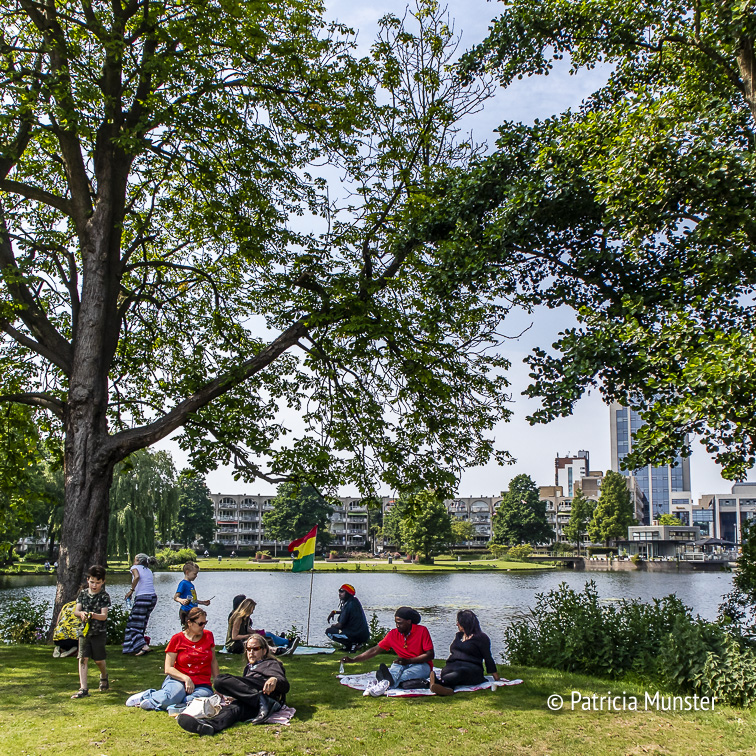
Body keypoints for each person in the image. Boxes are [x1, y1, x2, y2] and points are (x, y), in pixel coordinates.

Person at [177, 634, 289, 735]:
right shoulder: (249, 668)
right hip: (258, 707)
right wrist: (237, 695)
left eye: (255, 649)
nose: (251, 652)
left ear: (264, 651)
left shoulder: (270, 663)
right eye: (248, 649)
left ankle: (262, 700)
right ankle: (210, 726)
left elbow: (284, 685)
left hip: (268, 695)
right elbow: (245, 689)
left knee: (220, 680)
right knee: (232, 709)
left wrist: (274, 679)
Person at [127, 607, 218, 710]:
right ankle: (147, 696)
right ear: (189, 623)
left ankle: (163, 702)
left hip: (202, 684)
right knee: (172, 697)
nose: (204, 626)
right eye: (200, 623)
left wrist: (218, 684)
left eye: (205, 623)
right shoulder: (177, 639)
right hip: (178, 680)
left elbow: (213, 661)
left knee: (191, 702)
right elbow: (168, 668)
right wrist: (186, 678)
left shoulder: (208, 636)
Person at [341, 606, 433, 695]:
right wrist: (353, 660)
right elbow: (374, 650)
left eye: (400, 623)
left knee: (405, 675)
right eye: (396, 623)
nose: (397, 626)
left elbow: (430, 655)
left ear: (409, 621)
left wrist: (409, 661)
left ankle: (383, 684)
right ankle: (386, 683)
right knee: (395, 671)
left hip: (422, 665)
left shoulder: (422, 631)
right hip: (401, 663)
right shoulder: (393, 634)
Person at [429, 610, 501, 696]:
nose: (457, 624)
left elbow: (488, 658)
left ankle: (440, 683)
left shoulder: (481, 638)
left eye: (459, 622)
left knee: (459, 673)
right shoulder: (459, 636)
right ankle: (447, 688)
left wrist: (496, 677)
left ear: (465, 623)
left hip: (471, 668)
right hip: (453, 665)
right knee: (447, 671)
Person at [71, 565, 112, 699]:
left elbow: (104, 616)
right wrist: (81, 613)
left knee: (99, 660)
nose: (94, 585)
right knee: (83, 658)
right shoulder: (83, 594)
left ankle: (104, 676)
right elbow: (76, 611)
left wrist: (93, 615)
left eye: (98, 582)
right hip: (84, 632)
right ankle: (83, 688)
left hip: (99, 632)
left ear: (103, 582)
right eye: (92, 582)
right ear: (88, 580)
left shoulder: (104, 596)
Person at [225, 597, 298, 655]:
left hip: (241, 640)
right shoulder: (238, 619)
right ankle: (277, 650)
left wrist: (256, 632)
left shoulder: (246, 618)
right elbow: (234, 637)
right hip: (234, 645)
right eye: (252, 609)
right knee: (256, 642)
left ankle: (277, 649)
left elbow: (246, 629)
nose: (252, 612)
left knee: (260, 639)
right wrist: (249, 636)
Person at [123, 553, 158, 656]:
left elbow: (137, 577)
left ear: (138, 561)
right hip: (153, 598)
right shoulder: (148, 570)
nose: (133, 562)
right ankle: (135, 647)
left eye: (134, 560)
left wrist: (131, 590)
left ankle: (143, 646)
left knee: (133, 624)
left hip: (143, 597)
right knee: (142, 623)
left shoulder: (135, 567)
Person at [325, 583, 369, 652]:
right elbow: (348, 613)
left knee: (329, 631)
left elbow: (340, 625)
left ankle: (352, 645)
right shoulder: (355, 601)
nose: (339, 593)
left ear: (348, 593)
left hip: (354, 634)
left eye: (342, 591)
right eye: (339, 591)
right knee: (341, 629)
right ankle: (352, 645)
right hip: (363, 635)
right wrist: (335, 612)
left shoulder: (348, 605)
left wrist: (333, 626)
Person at [174, 561, 211, 627]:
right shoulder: (183, 583)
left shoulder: (191, 585)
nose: (196, 576)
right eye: (194, 574)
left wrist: (203, 602)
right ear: (187, 572)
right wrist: (181, 600)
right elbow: (175, 597)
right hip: (186, 611)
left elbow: (193, 600)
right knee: (188, 629)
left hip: (193, 611)